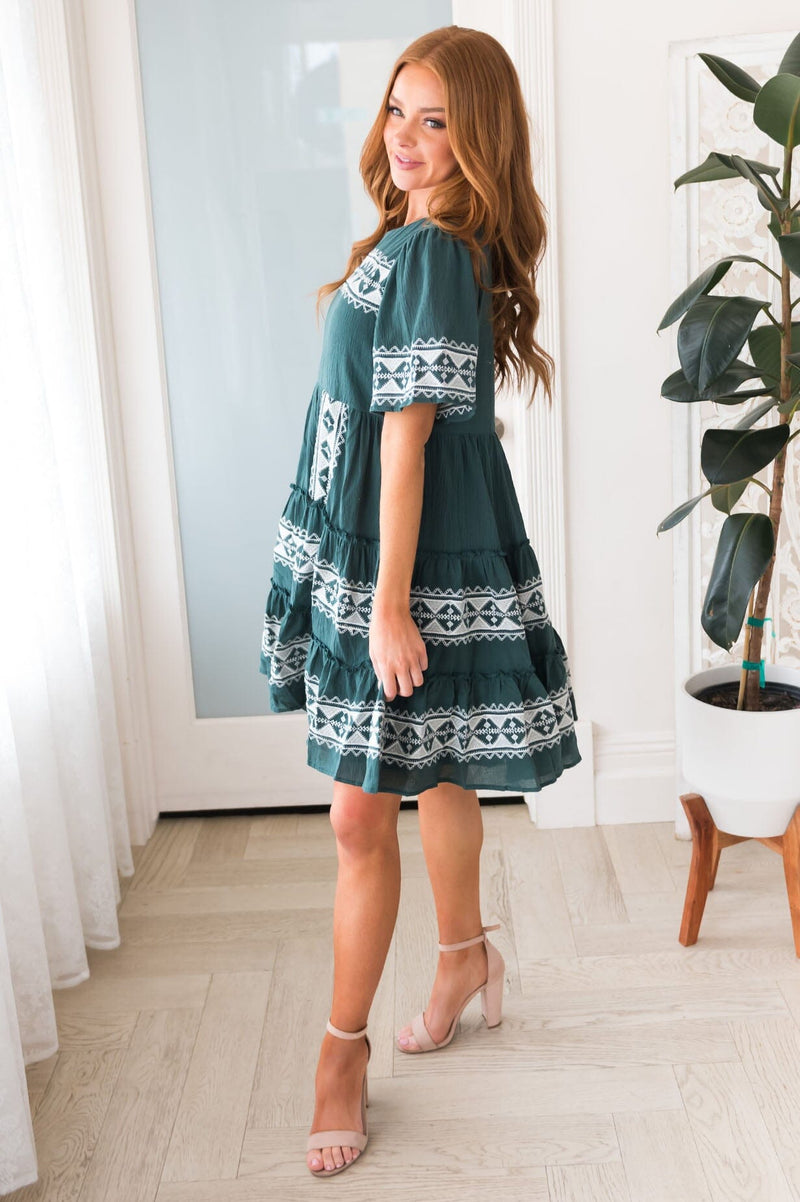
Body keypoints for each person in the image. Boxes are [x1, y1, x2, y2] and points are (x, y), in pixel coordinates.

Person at [258, 24, 581, 1178]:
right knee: (435, 765)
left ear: (475, 134)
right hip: (394, 541)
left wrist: (386, 606)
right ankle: (462, 954)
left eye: (435, 119)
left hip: (406, 554)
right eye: (397, 109)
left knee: (358, 815)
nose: (405, 136)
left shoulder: (437, 249)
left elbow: (405, 440)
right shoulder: (409, 237)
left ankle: (337, 1053)